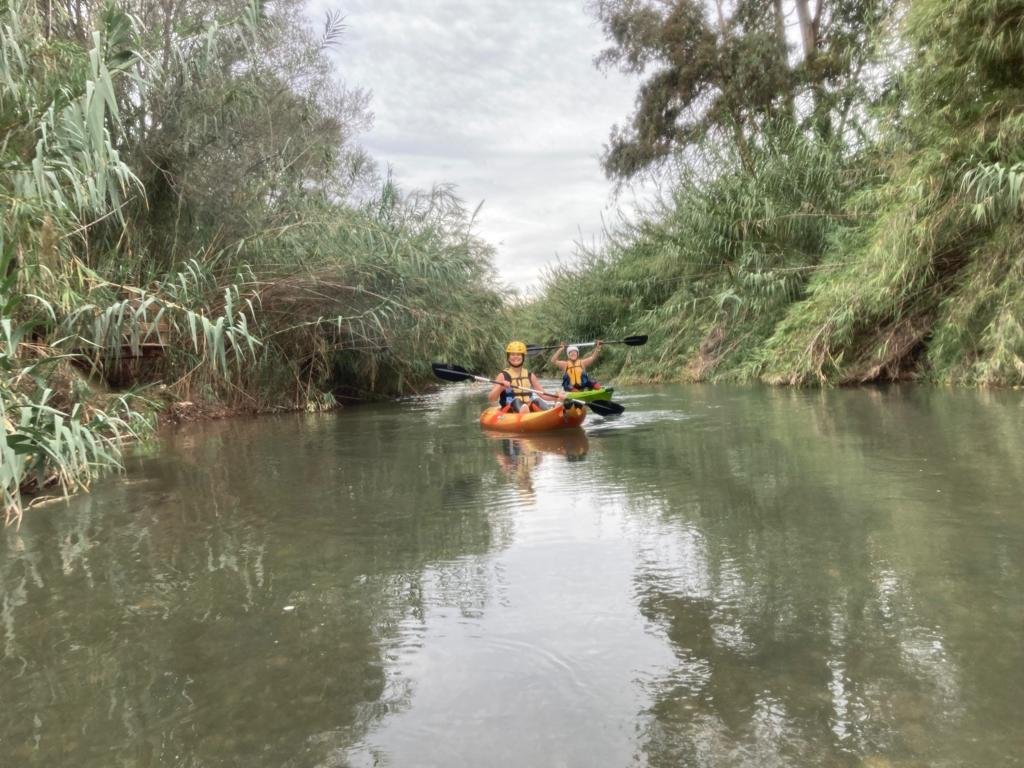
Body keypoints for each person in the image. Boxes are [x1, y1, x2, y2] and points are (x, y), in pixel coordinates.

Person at [488, 341, 563, 413]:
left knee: (537, 401)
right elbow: (492, 398)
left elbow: (543, 395)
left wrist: (555, 396)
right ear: (508, 357)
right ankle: (523, 410)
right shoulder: (503, 376)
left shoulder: (530, 375)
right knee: (516, 401)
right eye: (512, 354)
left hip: (528, 407)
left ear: (523, 356)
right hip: (510, 409)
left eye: (518, 354)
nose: (515, 357)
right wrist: (500, 387)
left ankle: (551, 411)